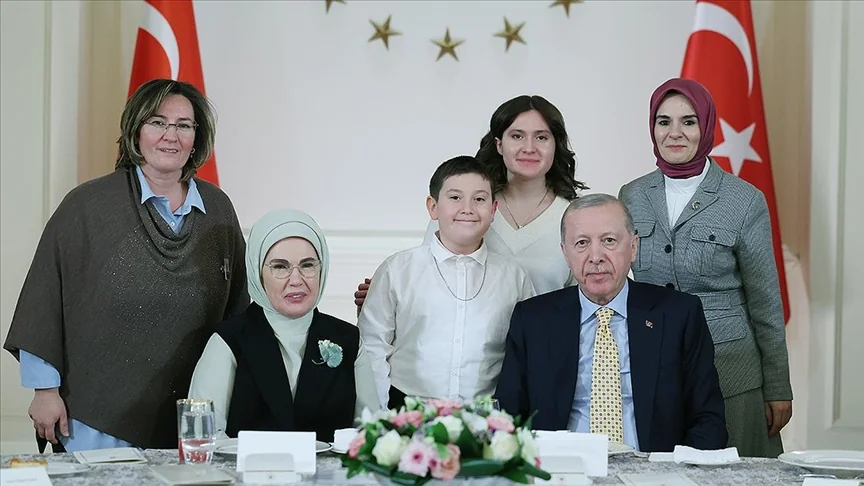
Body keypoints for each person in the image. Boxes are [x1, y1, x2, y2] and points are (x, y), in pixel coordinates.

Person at [2, 79, 249, 451]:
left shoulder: (218, 209)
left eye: (183, 125)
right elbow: (45, 297)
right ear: (135, 130)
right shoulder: (88, 206)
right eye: (157, 122)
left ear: (196, 138)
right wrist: (45, 391)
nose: (171, 135)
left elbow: (240, 309)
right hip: (96, 420)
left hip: (195, 416)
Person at [618, 78, 792, 457]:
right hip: (656, 366)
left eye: (689, 121)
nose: (675, 133)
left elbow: (765, 301)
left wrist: (778, 386)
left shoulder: (743, 199)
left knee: (736, 476)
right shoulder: (632, 195)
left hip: (730, 372)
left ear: (707, 126)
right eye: (664, 122)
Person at [495, 194, 727, 452]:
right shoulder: (533, 320)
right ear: (565, 253)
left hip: (652, 468)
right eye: (582, 243)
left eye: (609, 241)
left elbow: (708, 419)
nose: (596, 256)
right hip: (563, 466)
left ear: (633, 247)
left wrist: (677, 471)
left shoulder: (678, 315)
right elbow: (507, 417)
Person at [354, 95, 588, 307]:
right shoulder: (463, 208)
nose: (529, 148)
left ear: (555, 145)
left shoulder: (577, 217)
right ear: (499, 144)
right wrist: (386, 296)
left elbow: (584, 301)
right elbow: (424, 278)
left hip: (543, 339)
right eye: (517, 136)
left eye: (541, 137)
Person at [358, 156, 535, 409]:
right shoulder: (397, 270)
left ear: (493, 210)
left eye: (479, 199)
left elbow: (526, 353)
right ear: (433, 207)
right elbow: (373, 346)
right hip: (406, 411)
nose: (467, 208)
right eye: (455, 197)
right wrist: (380, 414)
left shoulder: (514, 277)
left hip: (486, 415)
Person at [188, 209, 379, 442]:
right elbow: (202, 437)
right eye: (280, 267)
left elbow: (370, 433)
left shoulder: (348, 339)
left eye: (307, 265)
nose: (296, 280)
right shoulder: (228, 340)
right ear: (258, 272)